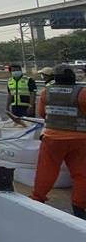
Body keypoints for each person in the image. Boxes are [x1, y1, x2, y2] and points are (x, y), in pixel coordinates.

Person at [31, 65, 86, 219]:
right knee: (81, 174)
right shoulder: (82, 93)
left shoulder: (45, 93)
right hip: (80, 140)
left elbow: (42, 114)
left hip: (52, 139)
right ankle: (79, 208)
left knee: (46, 171)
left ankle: (37, 199)